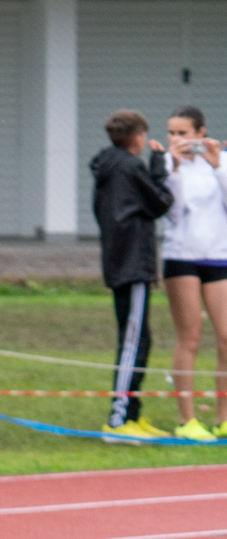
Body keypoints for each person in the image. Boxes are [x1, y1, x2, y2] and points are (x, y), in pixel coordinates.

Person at [93, 109, 173, 440]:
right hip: (132, 264)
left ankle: (133, 414)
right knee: (133, 341)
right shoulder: (130, 167)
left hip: (119, 260)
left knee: (140, 338)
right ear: (138, 138)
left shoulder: (107, 167)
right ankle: (118, 419)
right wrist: (159, 166)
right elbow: (161, 202)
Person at [159, 106, 227, 442]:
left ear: (201, 133)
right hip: (181, 256)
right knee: (190, 338)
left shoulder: (220, 160)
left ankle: (223, 417)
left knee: (226, 337)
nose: (176, 139)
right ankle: (187, 420)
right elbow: (172, 212)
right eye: (172, 133)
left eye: (183, 133)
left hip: (218, 256)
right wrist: (174, 168)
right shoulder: (167, 164)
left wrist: (217, 166)